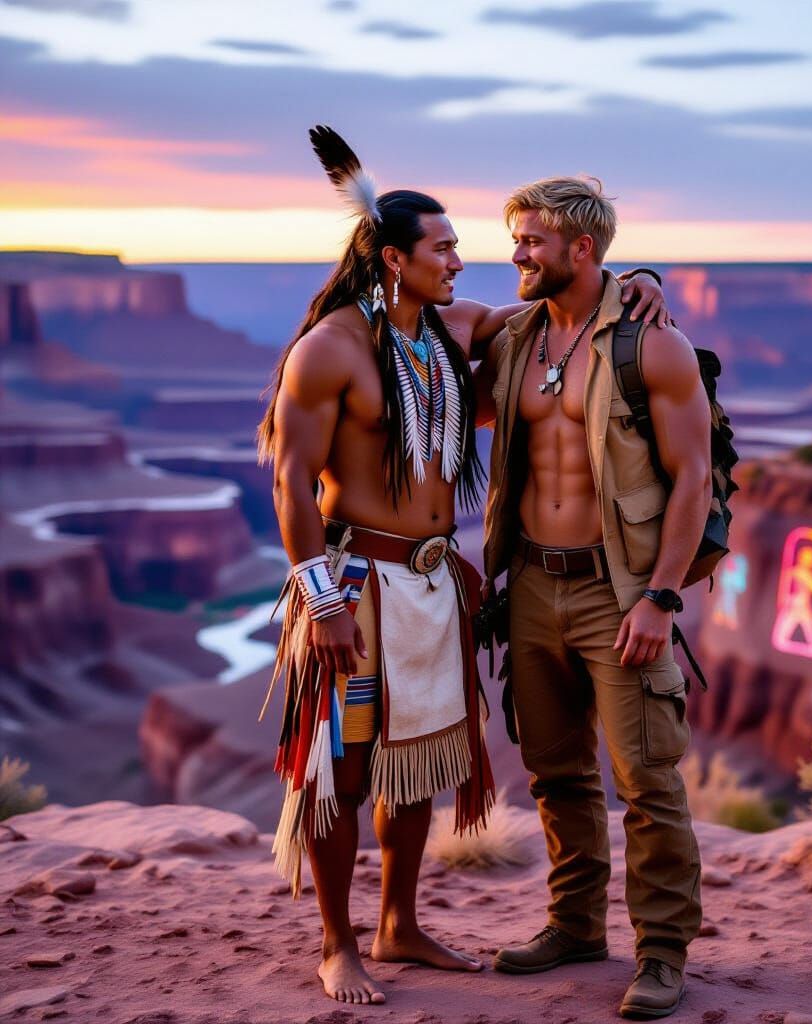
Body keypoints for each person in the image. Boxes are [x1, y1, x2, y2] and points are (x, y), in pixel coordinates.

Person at [256, 127, 670, 1007]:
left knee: (415, 762)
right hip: (355, 585)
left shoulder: (453, 328)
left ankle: (397, 925)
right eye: (443, 248)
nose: (460, 260)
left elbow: (561, 313)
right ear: (394, 258)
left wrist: (641, 281)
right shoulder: (331, 348)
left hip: (437, 580)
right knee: (345, 763)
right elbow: (292, 482)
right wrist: (319, 598)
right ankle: (339, 943)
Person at [481, 175, 712, 1020]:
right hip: (533, 585)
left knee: (647, 780)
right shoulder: (516, 339)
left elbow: (693, 480)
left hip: (620, 594)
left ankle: (661, 955)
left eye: (531, 242)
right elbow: (422, 337)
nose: (516, 255)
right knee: (556, 773)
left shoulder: (653, 346)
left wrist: (660, 598)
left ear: (581, 249)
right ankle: (575, 927)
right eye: (515, 240)